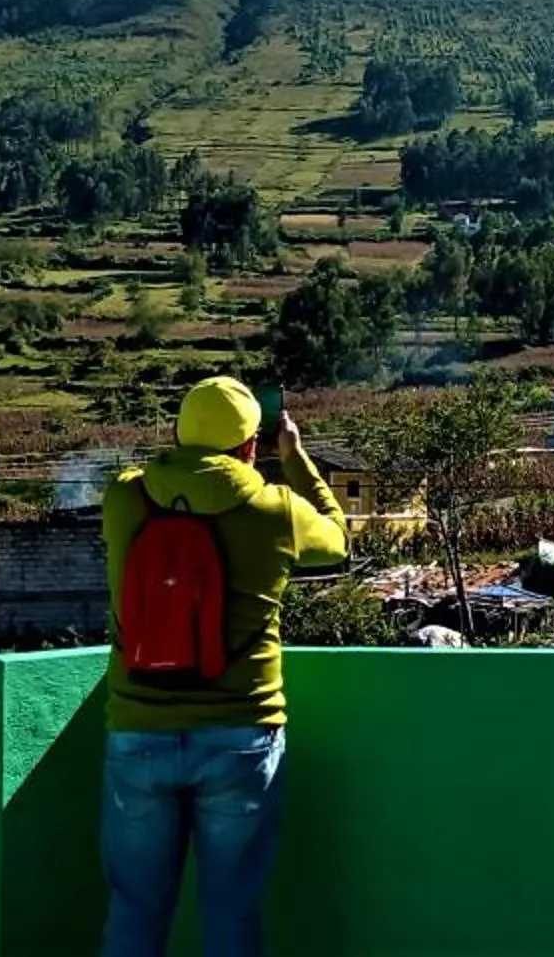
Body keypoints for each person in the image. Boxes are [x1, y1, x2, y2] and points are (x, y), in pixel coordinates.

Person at [100, 376, 349, 957]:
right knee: (231, 911)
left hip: (138, 729)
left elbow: (154, 477)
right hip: (243, 734)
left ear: (180, 433)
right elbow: (338, 539)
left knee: (134, 912)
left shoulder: (124, 498)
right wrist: (296, 459)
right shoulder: (275, 511)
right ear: (250, 446)